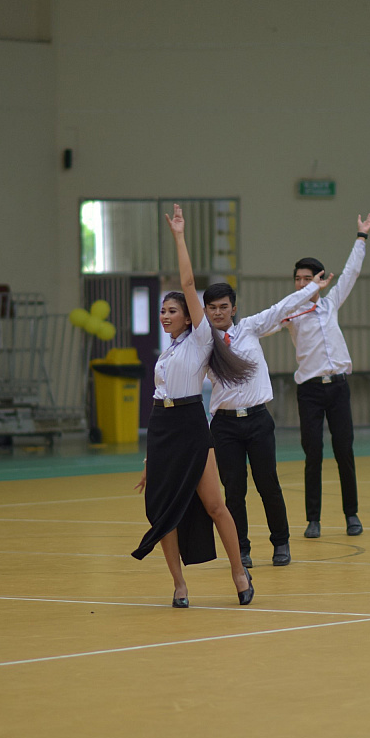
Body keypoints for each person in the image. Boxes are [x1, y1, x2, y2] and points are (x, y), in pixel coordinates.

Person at [133, 204, 255, 608]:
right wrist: (150, 458)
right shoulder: (166, 353)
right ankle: (179, 584)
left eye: (172, 311)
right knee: (163, 511)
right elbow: (158, 401)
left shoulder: (202, 338)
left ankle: (239, 572)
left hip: (190, 424)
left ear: (189, 317)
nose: (165, 316)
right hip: (162, 428)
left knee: (215, 505)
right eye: (162, 311)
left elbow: (187, 281)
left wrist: (180, 237)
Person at [202, 268, 331, 569]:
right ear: (205, 311)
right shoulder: (203, 345)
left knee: (268, 485)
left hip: (258, 420)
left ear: (233, 309)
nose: (218, 312)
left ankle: (281, 542)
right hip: (224, 426)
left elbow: (283, 307)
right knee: (234, 491)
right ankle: (241, 549)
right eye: (212, 308)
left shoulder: (249, 328)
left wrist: (311, 287)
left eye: (223, 307)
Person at [279, 215, 370, 539]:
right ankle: (313, 519)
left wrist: (361, 237)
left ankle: (351, 514)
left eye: (309, 278)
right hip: (309, 391)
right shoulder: (289, 312)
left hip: (339, 388)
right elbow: (264, 324)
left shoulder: (331, 304)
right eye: (298, 279)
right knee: (313, 454)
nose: (302, 283)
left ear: (321, 280)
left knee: (344, 451)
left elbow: (351, 272)